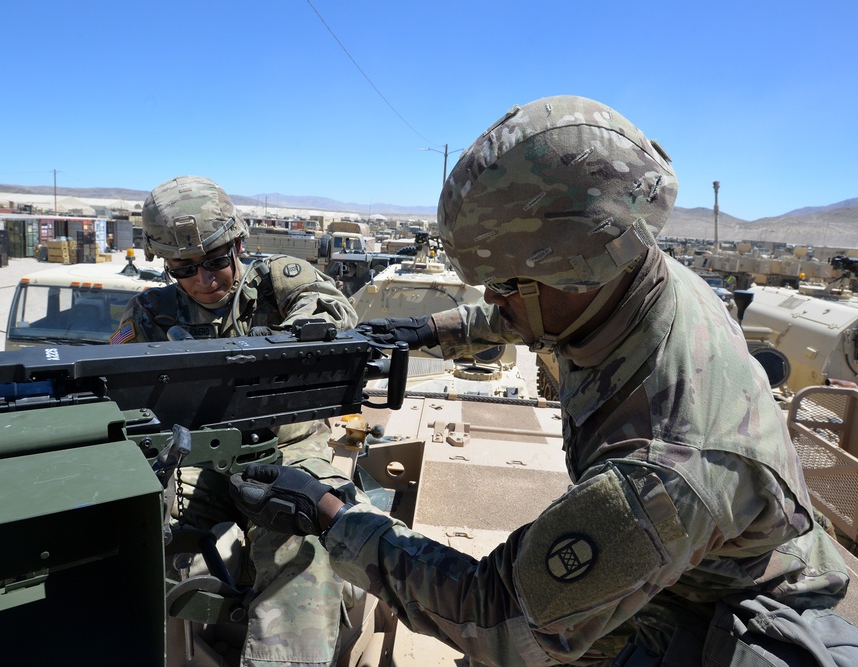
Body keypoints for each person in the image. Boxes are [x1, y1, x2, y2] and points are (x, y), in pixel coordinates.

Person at [229, 96, 858, 665]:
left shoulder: (667, 465)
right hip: (709, 557)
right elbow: (530, 316)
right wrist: (429, 331)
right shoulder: (633, 269)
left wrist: (331, 513)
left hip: (724, 609)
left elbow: (498, 616)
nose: (493, 301)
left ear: (581, 273)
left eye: (503, 286)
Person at [111, 175, 361, 667]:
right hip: (195, 458)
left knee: (302, 547)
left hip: (286, 452)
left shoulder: (278, 280)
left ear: (238, 245)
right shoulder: (150, 312)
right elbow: (116, 384)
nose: (204, 280)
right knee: (139, 540)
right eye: (184, 268)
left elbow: (333, 308)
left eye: (215, 261)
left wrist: (289, 340)